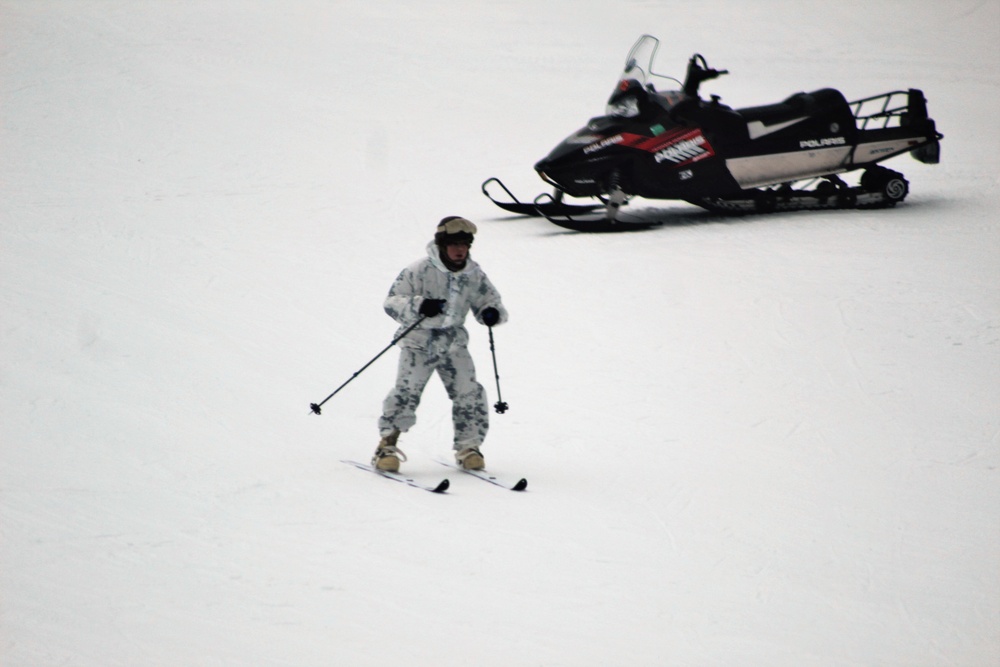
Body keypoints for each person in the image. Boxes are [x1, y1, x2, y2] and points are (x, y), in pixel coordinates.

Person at [373, 216, 508, 472]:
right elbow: (392, 302)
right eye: (455, 244)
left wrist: (491, 312)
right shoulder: (419, 270)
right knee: (406, 392)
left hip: (453, 343)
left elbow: (490, 300)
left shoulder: (473, 275)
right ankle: (386, 446)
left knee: (469, 392)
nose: (460, 250)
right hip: (417, 342)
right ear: (443, 244)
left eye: (465, 245)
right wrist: (419, 305)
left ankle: (469, 447)